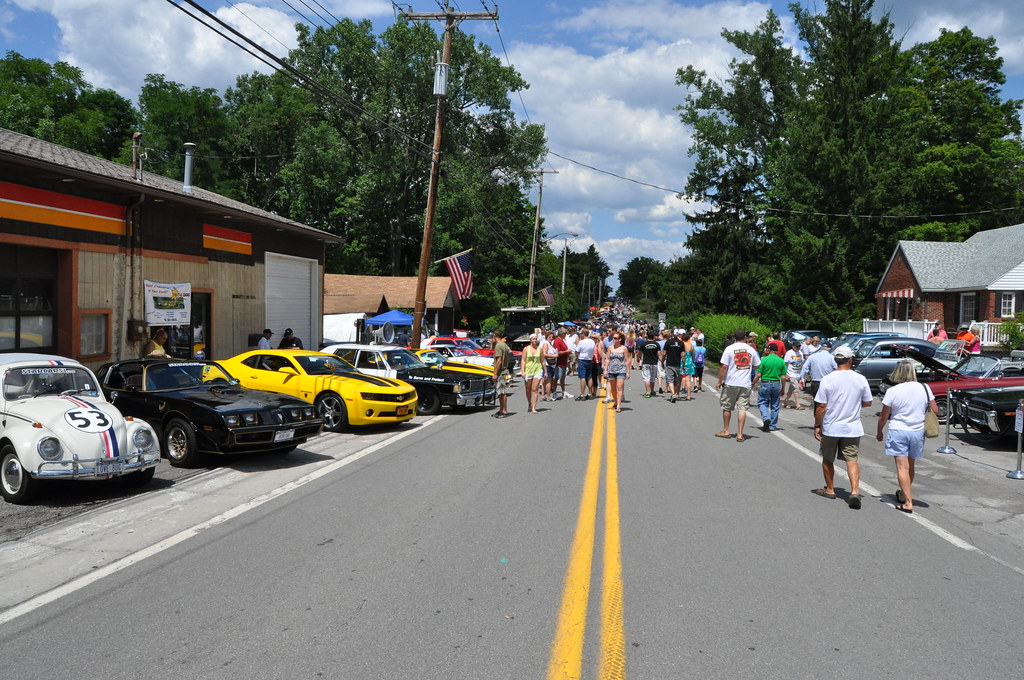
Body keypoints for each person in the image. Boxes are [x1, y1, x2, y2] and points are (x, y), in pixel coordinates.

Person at [812, 345, 873, 509]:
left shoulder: (828, 379)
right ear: (850, 360)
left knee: (827, 458)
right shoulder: (860, 379)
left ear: (835, 360)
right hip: (852, 427)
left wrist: (818, 425)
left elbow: (821, 406)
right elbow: (868, 402)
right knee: (851, 459)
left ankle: (830, 489)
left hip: (831, 426)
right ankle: (854, 490)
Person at [876, 360, 938, 513]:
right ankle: (904, 495)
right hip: (917, 431)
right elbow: (935, 409)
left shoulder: (893, 391)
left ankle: (907, 502)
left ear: (897, 373)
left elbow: (884, 416)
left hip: (899, 430)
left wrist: (879, 431)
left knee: (902, 467)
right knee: (911, 466)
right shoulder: (924, 388)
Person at [715, 329, 761, 442]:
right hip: (745, 383)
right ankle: (740, 434)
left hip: (731, 382)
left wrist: (719, 381)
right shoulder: (751, 349)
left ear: (734, 337)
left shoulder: (729, 349)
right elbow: (757, 365)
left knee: (727, 407)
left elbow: (724, 366)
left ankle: (726, 430)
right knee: (742, 408)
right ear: (745, 337)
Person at [757, 346, 787, 432]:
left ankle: (766, 418)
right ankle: (772, 425)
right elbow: (784, 377)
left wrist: (753, 383)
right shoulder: (781, 361)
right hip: (777, 383)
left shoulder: (764, 360)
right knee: (775, 405)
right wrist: (783, 389)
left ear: (769, 350)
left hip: (765, 383)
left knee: (762, 402)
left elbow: (758, 374)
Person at [603, 332, 630, 412]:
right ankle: (615, 401)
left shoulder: (624, 348)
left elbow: (627, 360)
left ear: (619, 339)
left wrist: (628, 372)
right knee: (613, 389)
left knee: (619, 388)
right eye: (613, 338)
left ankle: (618, 405)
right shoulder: (610, 348)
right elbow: (607, 359)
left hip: (621, 370)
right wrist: (605, 370)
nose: (613, 340)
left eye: (615, 338)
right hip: (612, 370)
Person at [491, 329, 513, 418]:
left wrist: (495, 373)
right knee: (501, 392)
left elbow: (499, 360)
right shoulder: (504, 345)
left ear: (494, 336)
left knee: (501, 392)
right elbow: (508, 358)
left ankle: (504, 411)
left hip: (501, 372)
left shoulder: (498, 346)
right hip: (505, 370)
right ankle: (501, 409)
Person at [521, 334, 543, 414]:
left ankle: (534, 407)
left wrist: (545, 371)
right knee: (528, 389)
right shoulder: (526, 349)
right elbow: (523, 360)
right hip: (528, 370)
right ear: (530, 340)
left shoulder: (540, 349)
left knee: (535, 389)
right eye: (533, 339)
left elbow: (542, 361)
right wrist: (522, 371)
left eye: (536, 339)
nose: (535, 340)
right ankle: (529, 403)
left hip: (537, 370)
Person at [662, 329, 685, 402]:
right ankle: (674, 393)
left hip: (669, 363)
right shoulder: (681, 343)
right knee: (676, 380)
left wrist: (662, 361)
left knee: (670, 379)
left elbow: (664, 353)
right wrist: (684, 364)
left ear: (672, 334)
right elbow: (683, 355)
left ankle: (673, 394)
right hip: (677, 364)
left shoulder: (668, 342)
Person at [783, 340, 806, 409]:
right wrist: (785, 373)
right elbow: (785, 363)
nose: (798, 348)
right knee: (796, 388)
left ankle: (785, 402)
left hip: (798, 373)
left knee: (791, 390)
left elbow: (802, 363)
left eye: (799, 346)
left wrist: (803, 375)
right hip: (791, 373)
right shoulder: (789, 353)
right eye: (797, 346)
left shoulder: (800, 353)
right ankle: (798, 404)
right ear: (793, 346)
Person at [576, 329, 598, 400]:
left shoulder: (581, 342)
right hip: (589, 359)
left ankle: (582, 394)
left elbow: (577, 351)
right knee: (589, 376)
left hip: (582, 359)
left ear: (583, 334)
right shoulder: (592, 342)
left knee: (582, 377)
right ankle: (590, 393)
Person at [639, 331, 662, 398]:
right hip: (654, 363)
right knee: (652, 378)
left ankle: (648, 392)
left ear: (647, 336)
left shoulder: (644, 344)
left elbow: (640, 352)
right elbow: (659, 354)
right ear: (654, 336)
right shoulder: (656, 344)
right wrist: (662, 362)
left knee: (646, 377)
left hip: (646, 362)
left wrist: (639, 357)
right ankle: (652, 391)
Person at [540, 331, 558, 401]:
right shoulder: (546, 344)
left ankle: (543, 395)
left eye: (552, 337)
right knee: (548, 381)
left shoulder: (550, 344)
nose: (551, 338)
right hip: (547, 364)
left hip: (550, 364)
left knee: (545, 380)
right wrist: (554, 355)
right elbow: (544, 354)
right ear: (546, 337)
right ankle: (548, 396)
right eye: (549, 337)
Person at [553, 328, 571, 399]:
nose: (566, 335)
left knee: (563, 377)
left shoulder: (562, 340)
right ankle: (554, 392)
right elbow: (557, 352)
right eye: (565, 334)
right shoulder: (557, 341)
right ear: (561, 334)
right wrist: (566, 352)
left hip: (563, 362)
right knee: (557, 377)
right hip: (559, 362)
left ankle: (563, 392)